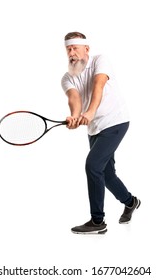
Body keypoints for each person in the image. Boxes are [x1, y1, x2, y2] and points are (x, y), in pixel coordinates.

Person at [61, 31, 141, 234]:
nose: (71, 53)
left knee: (92, 166)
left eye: (75, 48)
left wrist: (89, 112)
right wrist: (75, 115)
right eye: (68, 49)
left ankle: (97, 222)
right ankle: (130, 202)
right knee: (106, 173)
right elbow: (74, 99)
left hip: (116, 121)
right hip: (94, 128)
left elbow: (98, 85)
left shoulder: (100, 61)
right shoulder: (67, 78)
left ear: (86, 49)